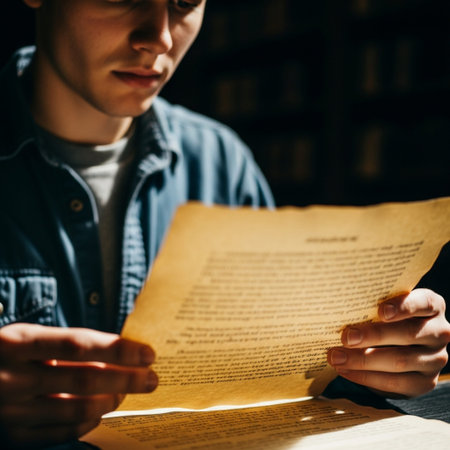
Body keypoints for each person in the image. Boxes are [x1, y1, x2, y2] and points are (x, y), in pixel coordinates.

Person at [0, 0, 448, 447]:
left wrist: (379, 360)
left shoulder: (223, 162)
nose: (161, 38)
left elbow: (281, 373)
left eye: (184, 3)